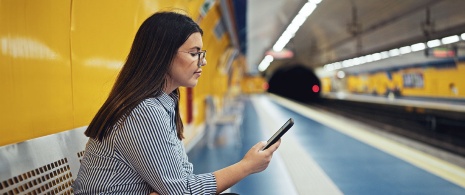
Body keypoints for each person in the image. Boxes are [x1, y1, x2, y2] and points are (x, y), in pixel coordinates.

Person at [72, 10, 281, 195]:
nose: (204, 61)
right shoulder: (144, 111)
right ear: (163, 55)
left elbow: (181, 180)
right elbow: (182, 190)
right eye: (194, 53)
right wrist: (247, 166)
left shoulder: (165, 103)